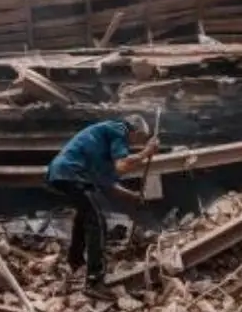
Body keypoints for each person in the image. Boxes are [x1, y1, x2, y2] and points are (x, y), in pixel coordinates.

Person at [45, 115, 158, 296]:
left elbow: (108, 184)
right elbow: (122, 166)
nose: (133, 144)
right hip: (72, 172)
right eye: (139, 138)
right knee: (97, 222)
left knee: (84, 216)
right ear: (134, 131)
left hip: (65, 173)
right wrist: (146, 152)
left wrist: (133, 196)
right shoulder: (119, 131)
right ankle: (94, 281)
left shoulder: (103, 146)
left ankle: (75, 262)